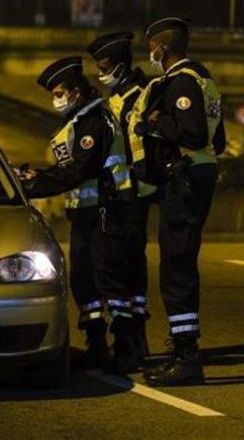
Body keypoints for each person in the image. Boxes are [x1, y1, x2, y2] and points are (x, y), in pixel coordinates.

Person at [19, 56, 142, 373]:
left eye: (60, 92)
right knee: (83, 282)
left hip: (106, 208)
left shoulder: (95, 122)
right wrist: (35, 177)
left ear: (77, 91)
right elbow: (68, 171)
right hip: (83, 214)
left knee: (109, 279)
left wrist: (34, 187)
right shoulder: (74, 124)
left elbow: (79, 170)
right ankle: (97, 346)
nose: (57, 99)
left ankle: (127, 348)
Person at [131, 16, 226, 386]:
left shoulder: (181, 81)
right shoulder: (206, 80)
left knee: (177, 267)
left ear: (162, 47)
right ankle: (182, 353)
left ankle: (187, 358)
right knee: (180, 262)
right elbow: (218, 143)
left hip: (184, 179)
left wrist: (156, 122)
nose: (150, 52)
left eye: (151, 46)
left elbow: (195, 134)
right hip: (200, 174)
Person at [87, 30, 156, 361]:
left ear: (123, 65)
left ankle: (130, 339)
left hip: (130, 195)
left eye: (105, 67)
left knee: (118, 267)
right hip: (120, 194)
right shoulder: (114, 100)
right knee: (124, 266)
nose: (102, 74)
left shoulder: (140, 96)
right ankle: (132, 338)